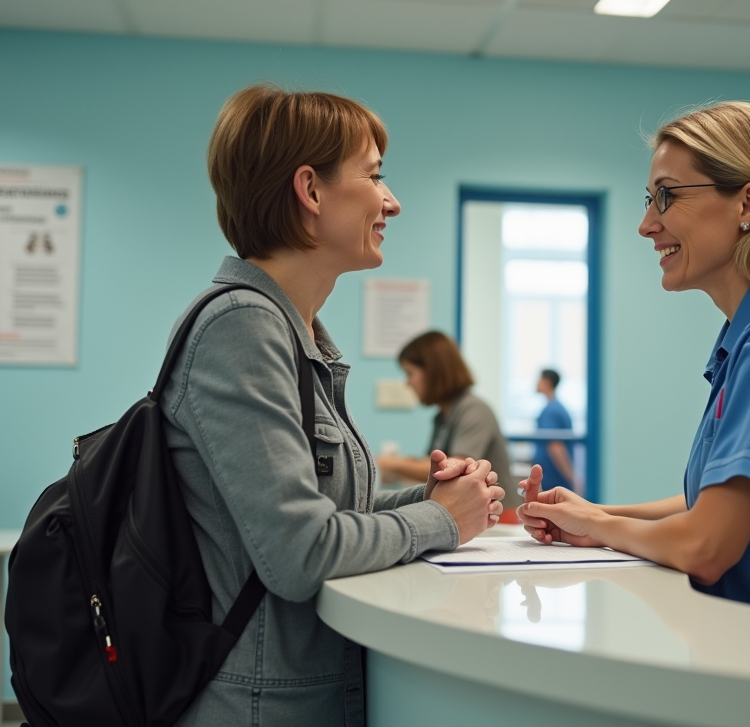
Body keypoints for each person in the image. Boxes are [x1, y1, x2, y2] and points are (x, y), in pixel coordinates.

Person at [162, 85, 505, 726]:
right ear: (311, 192)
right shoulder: (242, 327)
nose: (391, 202)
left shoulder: (296, 334)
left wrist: (432, 499)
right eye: (374, 176)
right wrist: (442, 521)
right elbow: (300, 553)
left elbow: (325, 515)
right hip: (260, 706)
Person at [518, 101, 750, 623]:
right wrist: (595, 515)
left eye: (666, 197)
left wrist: (602, 529)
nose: (646, 224)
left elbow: (706, 545)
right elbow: (715, 505)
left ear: (749, 203)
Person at [376, 331, 522, 511]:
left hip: (500, 519)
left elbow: (453, 469)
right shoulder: (443, 416)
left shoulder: (473, 410)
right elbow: (433, 470)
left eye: (410, 373)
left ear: (432, 372)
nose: (408, 383)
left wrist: (390, 464)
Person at [534, 369, 575, 491]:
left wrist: (571, 477)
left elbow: (555, 446)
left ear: (547, 382)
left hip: (553, 479)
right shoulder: (556, 408)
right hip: (552, 478)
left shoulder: (552, 411)